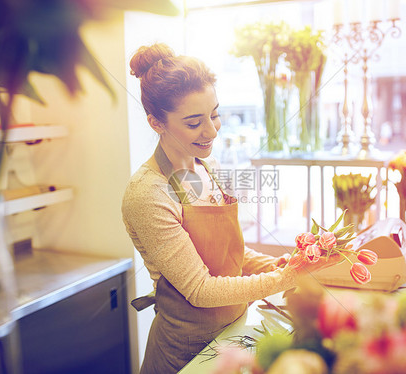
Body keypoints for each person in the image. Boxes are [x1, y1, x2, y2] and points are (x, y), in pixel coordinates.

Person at [122, 43, 339, 374]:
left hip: (233, 333)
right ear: (156, 122)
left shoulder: (209, 167)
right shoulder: (148, 194)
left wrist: (278, 263)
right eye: (194, 122)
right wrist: (282, 278)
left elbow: (226, 255)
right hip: (185, 353)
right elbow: (201, 289)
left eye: (214, 114)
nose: (211, 131)